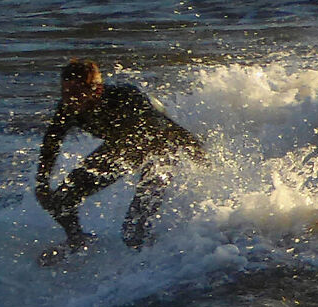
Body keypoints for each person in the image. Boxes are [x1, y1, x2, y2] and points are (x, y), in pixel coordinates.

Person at [35, 59, 203, 253]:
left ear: (96, 91)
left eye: (76, 93)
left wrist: (200, 158)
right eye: (65, 93)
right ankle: (77, 241)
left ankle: (154, 257)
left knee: (133, 229)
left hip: (160, 151)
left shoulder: (126, 98)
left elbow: (171, 130)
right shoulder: (67, 107)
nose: (70, 100)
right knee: (61, 200)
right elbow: (51, 143)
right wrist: (42, 183)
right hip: (121, 148)